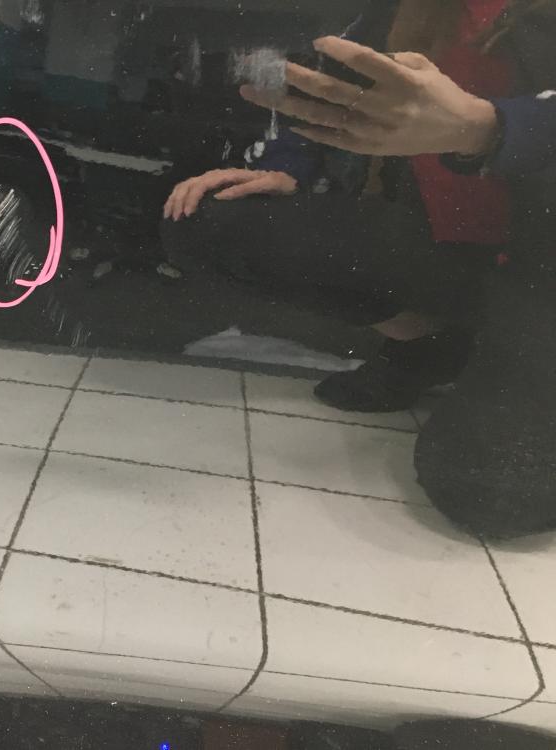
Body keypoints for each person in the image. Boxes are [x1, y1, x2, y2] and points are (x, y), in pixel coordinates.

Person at [162, 0, 556, 537]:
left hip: (540, 270)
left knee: (491, 492)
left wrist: (490, 128)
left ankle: (502, 357)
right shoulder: (407, 9)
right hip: (439, 245)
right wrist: (288, 169)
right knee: (210, 221)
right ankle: (435, 343)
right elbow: (330, 92)